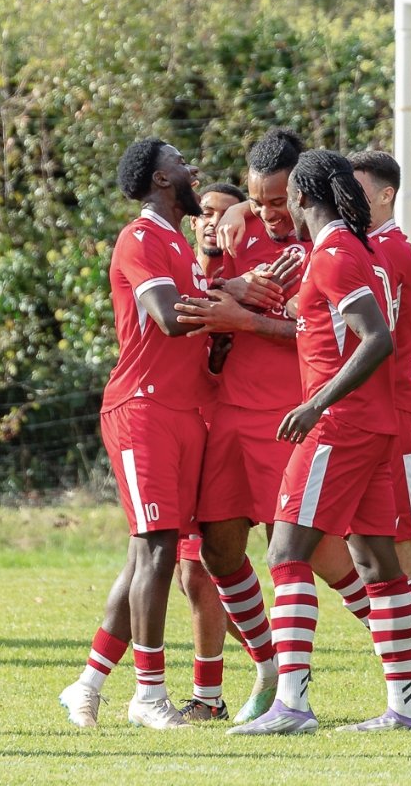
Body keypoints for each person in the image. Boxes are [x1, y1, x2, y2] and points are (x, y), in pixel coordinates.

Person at [174, 130, 375, 727]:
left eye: (279, 200)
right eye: (258, 202)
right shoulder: (237, 230)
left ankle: (403, 647)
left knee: (320, 556)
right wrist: (223, 284)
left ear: (304, 187)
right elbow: (207, 308)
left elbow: (330, 338)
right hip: (232, 413)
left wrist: (251, 321)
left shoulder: (330, 241)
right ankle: (267, 668)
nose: (269, 214)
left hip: (293, 415)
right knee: (216, 548)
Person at [228, 149, 411, 735]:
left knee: (287, 551)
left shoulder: (337, 254)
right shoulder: (356, 248)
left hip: (340, 426)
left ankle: (292, 705)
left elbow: (376, 339)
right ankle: (407, 709)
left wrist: (315, 403)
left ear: (300, 197)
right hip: (373, 423)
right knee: (374, 559)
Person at [59, 137, 218, 730]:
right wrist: (229, 302)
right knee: (156, 549)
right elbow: (171, 318)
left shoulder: (180, 242)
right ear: (161, 180)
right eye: (181, 160)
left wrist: (234, 298)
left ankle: (88, 684)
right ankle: (149, 695)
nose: (192, 166)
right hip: (142, 410)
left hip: (183, 412)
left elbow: (200, 327)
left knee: (146, 554)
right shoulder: (141, 237)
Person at [349, 149, 411, 723]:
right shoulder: (370, 248)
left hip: (397, 418)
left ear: (385, 195)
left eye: (358, 190)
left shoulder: (388, 249)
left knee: (399, 553)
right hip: (375, 417)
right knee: (379, 551)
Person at [174, 181, 247, 722]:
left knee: (309, 554)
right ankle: (209, 695)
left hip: (241, 433)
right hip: (184, 430)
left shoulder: (251, 277)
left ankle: (406, 648)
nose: (210, 221)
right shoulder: (180, 275)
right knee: (194, 571)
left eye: (223, 212)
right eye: (203, 212)